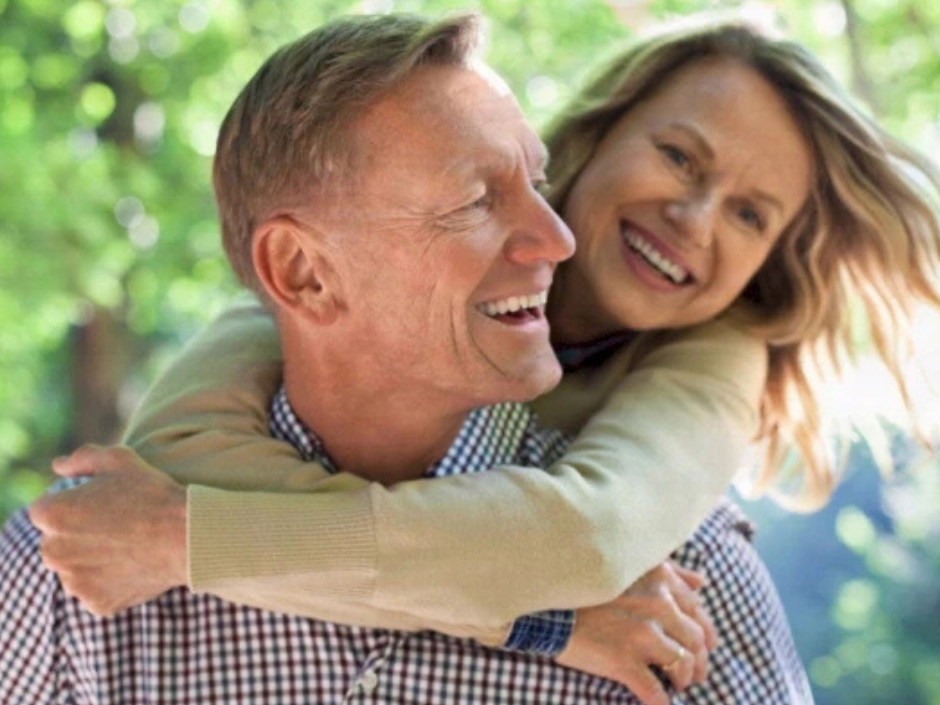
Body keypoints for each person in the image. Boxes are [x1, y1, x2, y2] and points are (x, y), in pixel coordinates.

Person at [15, 9, 940, 705]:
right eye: (680, 158)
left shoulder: (705, 415)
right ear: (591, 139)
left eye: (750, 215)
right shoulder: (254, 349)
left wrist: (186, 542)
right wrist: (544, 617)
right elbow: (175, 464)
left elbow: (584, 539)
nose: (694, 220)